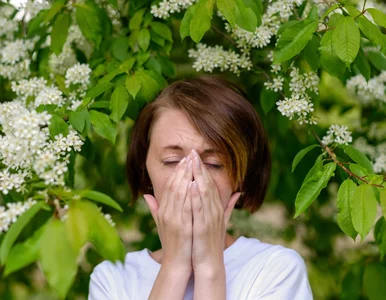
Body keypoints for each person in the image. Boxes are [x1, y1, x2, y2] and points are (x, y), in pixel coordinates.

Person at [88, 76, 313, 299]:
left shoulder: (275, 271)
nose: (193, 180)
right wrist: (174, 267)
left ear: (241, 176)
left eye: (214, 164)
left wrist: (209, 268)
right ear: (144, 168)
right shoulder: (113, 280)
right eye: (172, 161)